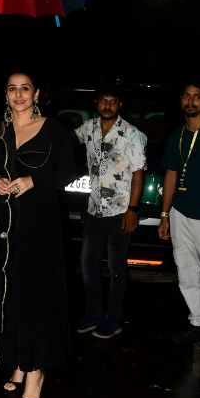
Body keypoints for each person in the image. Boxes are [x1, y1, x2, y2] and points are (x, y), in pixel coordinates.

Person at [0, 71, 77, 398]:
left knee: (34, 293)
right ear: (6, 95)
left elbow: (68, 172)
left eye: (25, 88)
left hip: (39, 224)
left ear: (36, 93)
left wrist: (33, 181)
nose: (19, 94)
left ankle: (35, 371)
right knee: (8, 293)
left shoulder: (52, 128)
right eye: (12, 89)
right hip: (2, 226)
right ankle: (18, 360)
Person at [72, 84, 148, 339]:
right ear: (96, 103)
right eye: (103, 100)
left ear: (120, 104)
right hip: (93, 210)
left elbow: (138, 175)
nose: (107, 105)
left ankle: (113, 319)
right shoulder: (89, 128)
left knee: (116, 269)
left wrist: (133, 210)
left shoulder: (132, 134)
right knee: (88, 265)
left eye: (112, 101)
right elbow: (64, 140)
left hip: (120, 212)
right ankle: (94, 313)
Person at [157, 79, 200, 344]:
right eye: (186, 96)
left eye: (197, 96)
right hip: (180, 213)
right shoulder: (177, 135)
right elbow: (171, 174)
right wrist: (164, 215)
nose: (190, 101)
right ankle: (197, 322)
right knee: (187, 271)